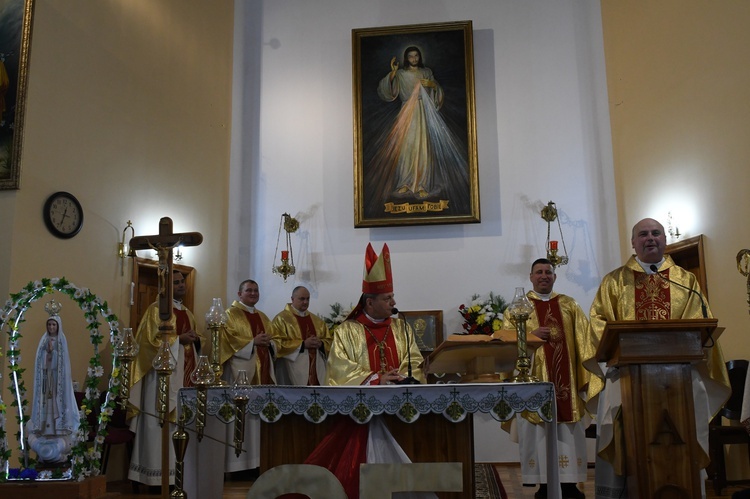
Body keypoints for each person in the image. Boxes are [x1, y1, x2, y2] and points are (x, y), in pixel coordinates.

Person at [588, 218, 730, 498]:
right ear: (633, 243)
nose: (650, 238)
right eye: (643, 234)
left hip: (681, 378)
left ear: (665, 240)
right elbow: (598, 322)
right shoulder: (614, 281)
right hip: (627, 376)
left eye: (656, 233)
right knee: (622, 436)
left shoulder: (685, 281)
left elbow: (698, 324)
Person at [502, 259, 602, 499]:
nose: (544, 276)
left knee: (567, 433)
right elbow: (505, 342)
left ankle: (569, 487)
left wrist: (586, 377)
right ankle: (544, 488)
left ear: (555, 277)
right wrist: (528, 335)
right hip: (533, 387)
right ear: (531, 277)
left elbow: (584, 342)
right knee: (538, 435)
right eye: (539, 272)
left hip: (566, 386)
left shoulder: (569, 305)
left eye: (548, 272)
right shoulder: (517, 308)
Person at [365, 46, 471, 217]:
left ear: (419, 57)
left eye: (416, 56)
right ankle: (406, 182)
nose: (413, 59)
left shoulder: (426, 71)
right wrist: (392, 73)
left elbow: (436, 91)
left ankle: (422, 184)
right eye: (410, 56)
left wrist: (433, 85)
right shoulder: (400, 73)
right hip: (407, 112)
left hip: (422, 112)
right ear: (406, 58)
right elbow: (387, 92)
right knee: (406, 149)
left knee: (423, 148)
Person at [128, 270, 202, 487]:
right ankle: (156, 477)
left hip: (185, 375)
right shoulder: (155, 310)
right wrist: (179, 340)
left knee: (182, 423)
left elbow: (195, 341)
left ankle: (178, 476)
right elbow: (148, 345)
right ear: (165, 287)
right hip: (160, 379)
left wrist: (195, 340)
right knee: (158, 423)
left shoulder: (187, 312)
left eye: (182, 282)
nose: (181, 285)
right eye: (175, 282)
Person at [326, 243, 425, 386]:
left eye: (392, 296)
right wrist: (378, 380)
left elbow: (414, 360)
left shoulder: (402, 328)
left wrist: (399, 378)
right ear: (370, 303)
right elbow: (339, 369)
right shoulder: (345, 331)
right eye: (387, 298)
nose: (393, 302)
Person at [219, 279, 277, 475]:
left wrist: (270, 343)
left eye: (256, 291)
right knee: (241, 416)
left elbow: (275, 340)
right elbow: (227, 341)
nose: (253, 294)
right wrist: (253, 342)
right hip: (241, 374)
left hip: (263, 371)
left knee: (259, 418)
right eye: (249, 290)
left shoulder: (263, 316)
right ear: (239, 293)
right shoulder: (229, 314)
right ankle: (238, 466)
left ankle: (259, 462)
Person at [27, 302, 80, 464]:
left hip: (58, 382)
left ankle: (58, 429)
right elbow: (39, 362)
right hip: (46, 379)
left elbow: (63, 363)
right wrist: (46, 353)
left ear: (58, 326)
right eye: (49, 324)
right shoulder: (44, 341)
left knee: (57, 405)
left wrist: (54, 352)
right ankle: (45, 429)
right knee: (46, 405)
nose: (51, 328)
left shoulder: (61, 340)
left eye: (53, 325)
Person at [271, 286, 333, 386]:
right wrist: (303, 344)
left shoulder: (317, 321)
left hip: (317, 368)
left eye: (307, 299)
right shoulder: (281, 319)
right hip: (291, 368)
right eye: (302, 299)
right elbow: (276, 344)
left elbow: (329, 342)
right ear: (292, 299)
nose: (305, 302)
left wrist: (321, 344)